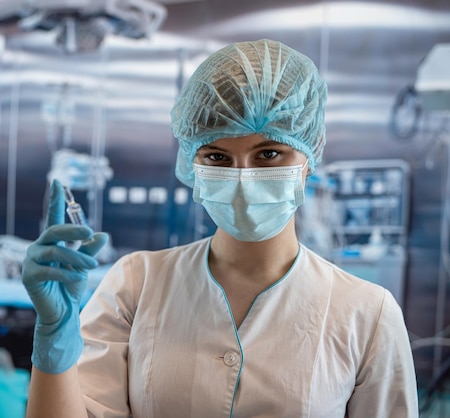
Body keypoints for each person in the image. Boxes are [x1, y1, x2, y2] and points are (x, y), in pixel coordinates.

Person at [22, 39, 418, 417]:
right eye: (217, 156)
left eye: (269, 153)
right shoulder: (136, 285)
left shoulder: (368, 314)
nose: (243, 177)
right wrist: (54, 343)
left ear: (309, 159)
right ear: (193, 165)